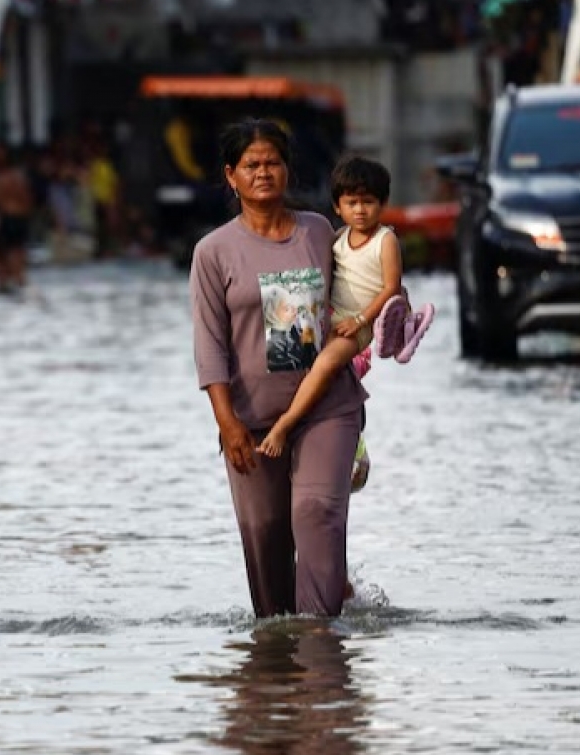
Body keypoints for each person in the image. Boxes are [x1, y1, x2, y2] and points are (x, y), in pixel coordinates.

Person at [190, 119, 367, 618]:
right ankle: (274, 666)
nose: (263, 172)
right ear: (231, 176)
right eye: (252, 165)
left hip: (326, 408)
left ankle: (319, 638)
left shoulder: (318, 232)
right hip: (251, 418)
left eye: (273, 162)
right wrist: (228, 423)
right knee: (266, 538)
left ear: (287, 170)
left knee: (316, 513)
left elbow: (359, 296)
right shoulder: (213, 252)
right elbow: (209, 346)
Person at [256, 156, 436, 458]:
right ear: (338, 207)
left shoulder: (385, 240)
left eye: (368, 202)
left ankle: (284, 424)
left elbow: (391, 286)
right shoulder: (339, 237)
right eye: (352, 203)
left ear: (383, 203)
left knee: (325, 364)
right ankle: (285, 412)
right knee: (288, 348)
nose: (361, 210)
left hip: (361, 325)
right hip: (332, 316)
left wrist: (360, 320)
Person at [0, 146, 33, 291]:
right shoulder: (19, 177)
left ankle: (6, 279)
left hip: (7, 216)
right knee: (18, 249)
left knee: (5, 251)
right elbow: (27, 198)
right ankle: (19, 277)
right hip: (20, 216)